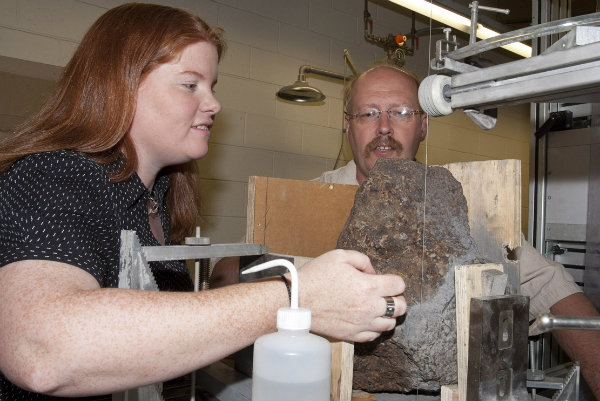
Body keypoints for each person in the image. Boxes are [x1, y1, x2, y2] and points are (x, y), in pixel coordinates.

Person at [0, 5, 408, 400]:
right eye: (190, 85)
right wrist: (295, 297)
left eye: (212, 87)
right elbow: (41, 351)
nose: (213, 104)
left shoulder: (156, 201)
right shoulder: (54, 175)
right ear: (120, 85)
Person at [315, 64, 600, 399]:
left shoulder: (460, 207)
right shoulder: (305, 201)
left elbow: (551, 287)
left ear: (423, 126)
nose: (384, 128)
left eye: (402, 113)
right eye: (368, 113)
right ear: (347, 125)